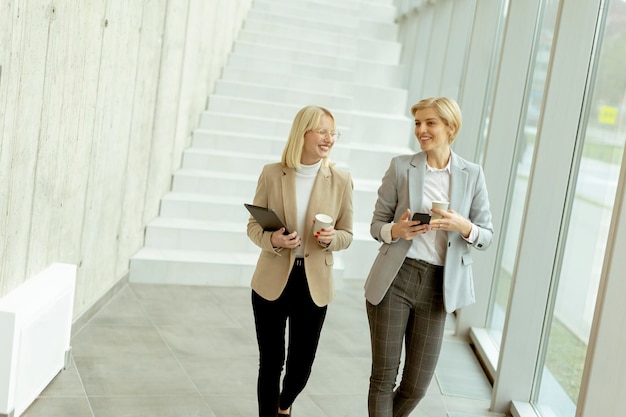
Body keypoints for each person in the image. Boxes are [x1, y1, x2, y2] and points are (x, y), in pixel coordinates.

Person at [364, 97, 493, 417]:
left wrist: (464, 227)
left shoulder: (472, 174)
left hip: (439, 287)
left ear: (451, 128)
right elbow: (376, 225)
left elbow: (486, 235)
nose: (421, 130)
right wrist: (397, 230)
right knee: (384, 377)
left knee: (417, 386)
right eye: (418, 123)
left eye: (430, 123)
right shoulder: (401, 167)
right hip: (396, 278)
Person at [247, 105, 353, 417]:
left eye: (333, 133)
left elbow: (347, 234)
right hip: (272, 280)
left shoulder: (341, 180)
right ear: (303, 133)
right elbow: (254, 226)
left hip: (314, 283)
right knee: (270, 361)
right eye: (323, 131)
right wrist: (273, 240)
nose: (329, 138)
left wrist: (332, 239)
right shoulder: (272, 173)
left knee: (300, 367)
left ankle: (284, 403)